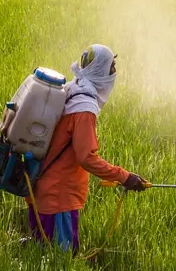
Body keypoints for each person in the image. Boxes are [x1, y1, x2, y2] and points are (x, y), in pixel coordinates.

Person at [26, 44, 146, 252]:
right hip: (58, 197)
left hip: (41, 188)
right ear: (100, 71)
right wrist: (124, 176)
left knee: (41, 255)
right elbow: (86, 157)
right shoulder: (83, 108)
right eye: (112, 67)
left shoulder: (71, 89)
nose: (114, 73)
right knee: (60, 261)